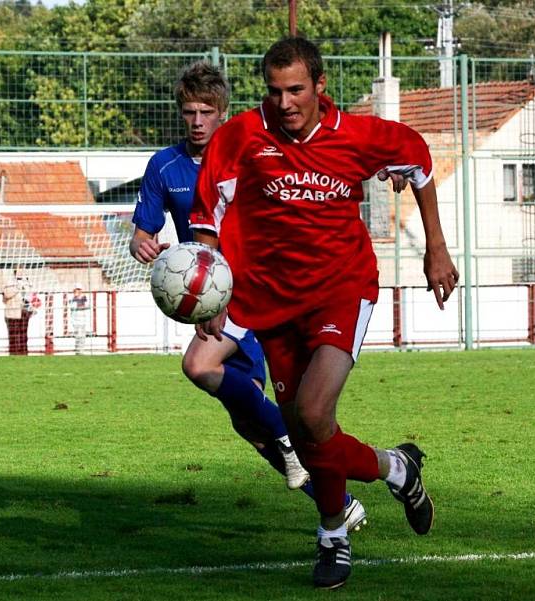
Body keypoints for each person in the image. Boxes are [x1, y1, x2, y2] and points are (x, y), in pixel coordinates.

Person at [190, 38, 459, 589]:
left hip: (341, 289)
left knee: (313, 414)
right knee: (304, 431)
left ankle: (332, 535)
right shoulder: (239, 137)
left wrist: (437, 247)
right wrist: (206, 291)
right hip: (269, 300)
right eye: (274, 90)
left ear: (319, 86)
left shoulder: (360, 136)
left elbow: (420, 162)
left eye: (295, 90)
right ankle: (397, 469)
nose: (284, 102)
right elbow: (206, 220)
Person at [130, 61, 368, 531]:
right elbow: (143, 231)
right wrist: (140, 242)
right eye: (189, 112)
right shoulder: (164, 166)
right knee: (250, 425)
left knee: (199, 366)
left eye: (206, 112)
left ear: (222, 113)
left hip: (256, 290)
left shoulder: (249, 153)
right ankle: (338, 502)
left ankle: (290, 437)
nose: (197, 121)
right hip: (211, 296)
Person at [2, 269, 33, 355]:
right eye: (19, 269)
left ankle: (24, 354)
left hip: (24, 312)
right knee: (14, 337)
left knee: (24, 336)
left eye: (22, 269)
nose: (21, 271)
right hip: (12, 314)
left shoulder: (26, 281)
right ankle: (14, 355)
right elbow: (7, 294)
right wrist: (18, 287)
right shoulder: (8, 281)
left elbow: (30, 295)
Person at [69, 283, 90, 355]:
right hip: (75, 320)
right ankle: (78, 350)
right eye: (76, 289)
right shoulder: (72, 298)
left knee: (83, 335)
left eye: (79, 289)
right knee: (78, 335)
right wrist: (80, 304)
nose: (77, 291)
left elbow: (87, 305)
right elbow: (74, 307)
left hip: (83, 319)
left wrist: (81, 305)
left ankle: (81, 350)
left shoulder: (84, 297)